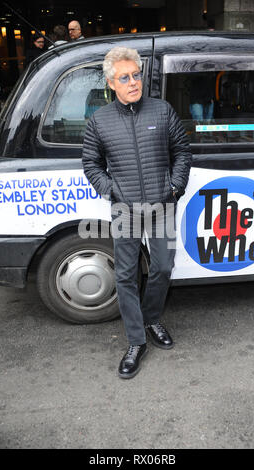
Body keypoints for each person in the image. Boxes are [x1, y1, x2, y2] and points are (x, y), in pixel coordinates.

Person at [82, 47, 192, 379]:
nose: (133, 82)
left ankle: (152, 318)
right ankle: (136, 340)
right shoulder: (99, 121)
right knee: (126, 276)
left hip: (162, 206)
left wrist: (174, 187)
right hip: (125, 209)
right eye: (125, 78)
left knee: (161, 267)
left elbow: (182, 151)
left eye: (137, 75)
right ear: (112, 83)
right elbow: (91, 163)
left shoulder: (162, 111)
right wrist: (111, 189)